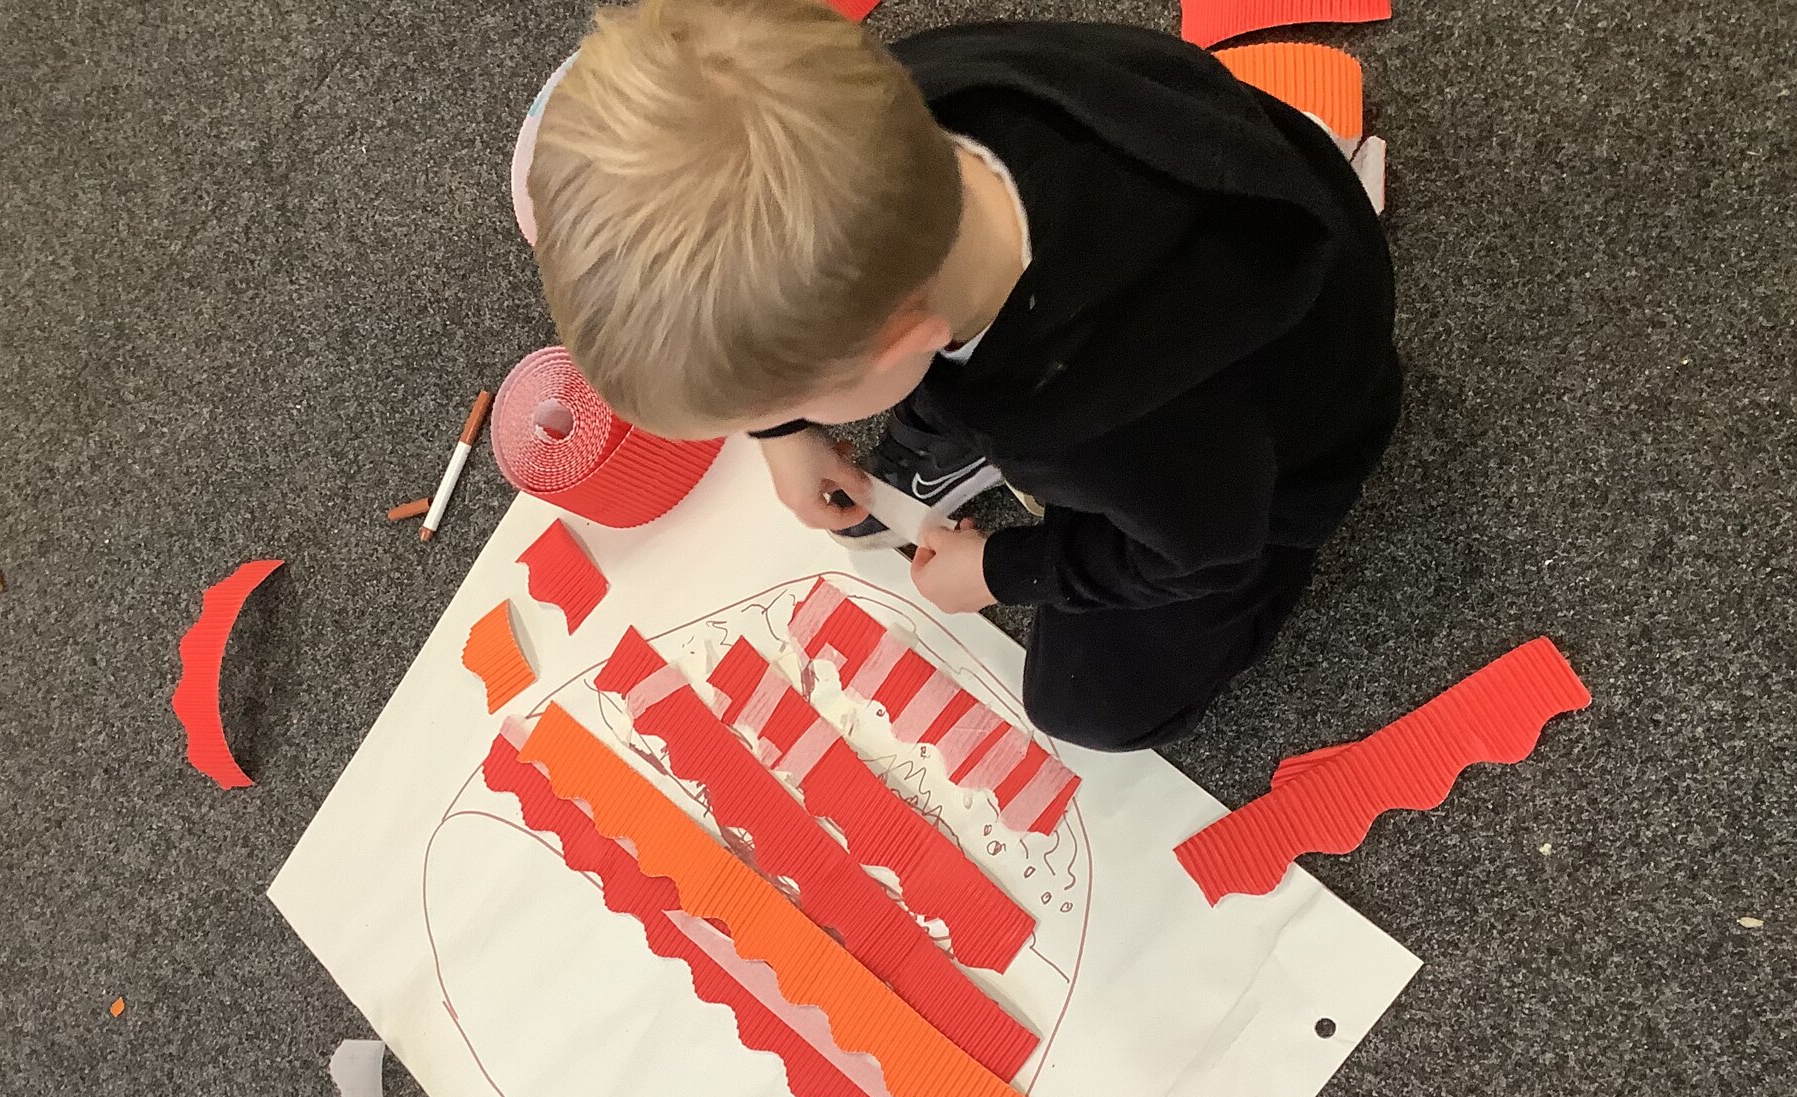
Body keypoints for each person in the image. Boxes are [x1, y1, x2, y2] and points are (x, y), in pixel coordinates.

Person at [525, 0, 1400, 751]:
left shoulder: (1106, 414)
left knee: (1085, 710)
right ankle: (936, 414)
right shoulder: (892, 106)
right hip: (1184, 200)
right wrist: (783, 427)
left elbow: (1198, 553)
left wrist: (1005, 571)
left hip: (1265, 456)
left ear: (908, 345)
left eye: (782, 403)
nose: (771, 423)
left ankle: (1273, 568)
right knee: (937, 387)